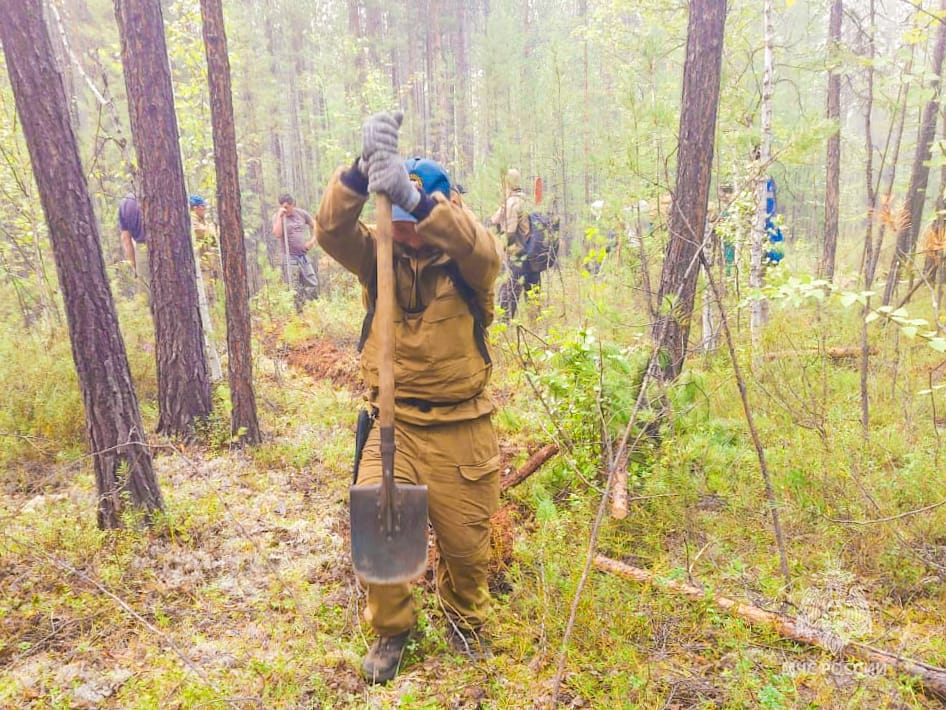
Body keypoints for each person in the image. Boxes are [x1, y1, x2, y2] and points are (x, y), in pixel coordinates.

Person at [316, 111, 502, 684]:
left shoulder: (469, 261)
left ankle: (465, 618)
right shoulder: (378, 256)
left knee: (468, 553)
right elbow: (327, 232)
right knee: (377, 523)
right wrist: (357, 172)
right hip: (393, 422)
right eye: (395, 217)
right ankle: (393, 630)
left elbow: (483, 252)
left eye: (414, 217)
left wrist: (419, 202)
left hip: (461, 430)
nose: (404, 228)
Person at [491, 168, 537, 319]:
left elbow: (509, 233)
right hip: (532, 255)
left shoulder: (512, 203)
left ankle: (505, 331)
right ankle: (538, 330)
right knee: (533, 299)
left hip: (517, 256)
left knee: (508, 297)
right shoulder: (526, 199)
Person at [271, 193, 319, 311]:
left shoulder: (301, 214)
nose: (286, 209)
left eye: (288, 206)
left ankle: (312, 310)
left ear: (293, 204)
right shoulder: (278, 217)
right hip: (289, 256)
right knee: (295, 287)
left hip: (303, 255)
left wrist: (311, 242)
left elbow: (316, 226)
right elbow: (277, 234)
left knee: (312, 283)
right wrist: (280, 217)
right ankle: (299, 315)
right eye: (283, 206)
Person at [189, 195, 219, 304]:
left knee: (212, 291)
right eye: (202, 206)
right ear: (195, 208)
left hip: (208, 264)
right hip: (201, 265)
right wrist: (212, 229)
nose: (204, 209)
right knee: (206, 294)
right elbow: (210, 233)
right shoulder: (192, 221)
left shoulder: (202, 220)